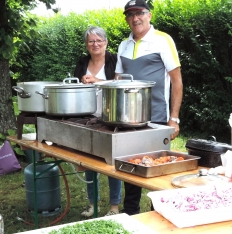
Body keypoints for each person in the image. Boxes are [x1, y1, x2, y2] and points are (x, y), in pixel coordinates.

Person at [115, 0, 183, 215]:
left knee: (158, 167)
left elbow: (177, 82)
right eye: (130, 15)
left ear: (149, 15)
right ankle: (131, 213)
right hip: (128, 119)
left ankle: (159, 214)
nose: (135, 18)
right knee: (130, 165)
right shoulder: (123, 46)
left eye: (139, 13)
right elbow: (117, 81)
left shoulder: (163, 40)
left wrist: (174, 119)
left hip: (157, 117)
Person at [74, 26, 122, 217]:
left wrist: (96, 80)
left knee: (111, 163)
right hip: (88, 117)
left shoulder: (115, 61)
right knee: (89, 162)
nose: (95, 44)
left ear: (106, 43)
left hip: (111, 117)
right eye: (91, 41)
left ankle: (114, 207)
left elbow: (120, 84)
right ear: (86, 45)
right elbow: (74, 86)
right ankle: (93, 205)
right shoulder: (82, 62)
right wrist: (82, 82)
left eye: (99, 40)